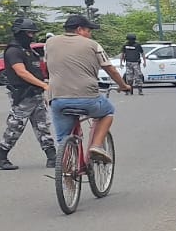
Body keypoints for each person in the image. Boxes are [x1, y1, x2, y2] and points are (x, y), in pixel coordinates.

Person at [44, 13, 130, 156]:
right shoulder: (93, 45)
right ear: (79, 29)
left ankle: (66, 173)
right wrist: (123, 85)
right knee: (108, 111)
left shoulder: (50, 43)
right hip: (87, 98)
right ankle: (96, 145)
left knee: (63, 140)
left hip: (57, 98)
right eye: (88, 31)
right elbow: (111, 70)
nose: (90, 35)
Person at [0, 18, 57, 170]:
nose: (32, 36)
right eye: (28, 33)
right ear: (19, 33)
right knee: (16, 126)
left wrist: (42, 88)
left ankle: (52, 156)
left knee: (42, 126)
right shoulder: (13, 51)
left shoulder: (29, 51)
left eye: (33, 33)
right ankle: (1, 157)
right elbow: (21, 72)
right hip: (23, 95)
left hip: (36, 94)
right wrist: (44, 86)